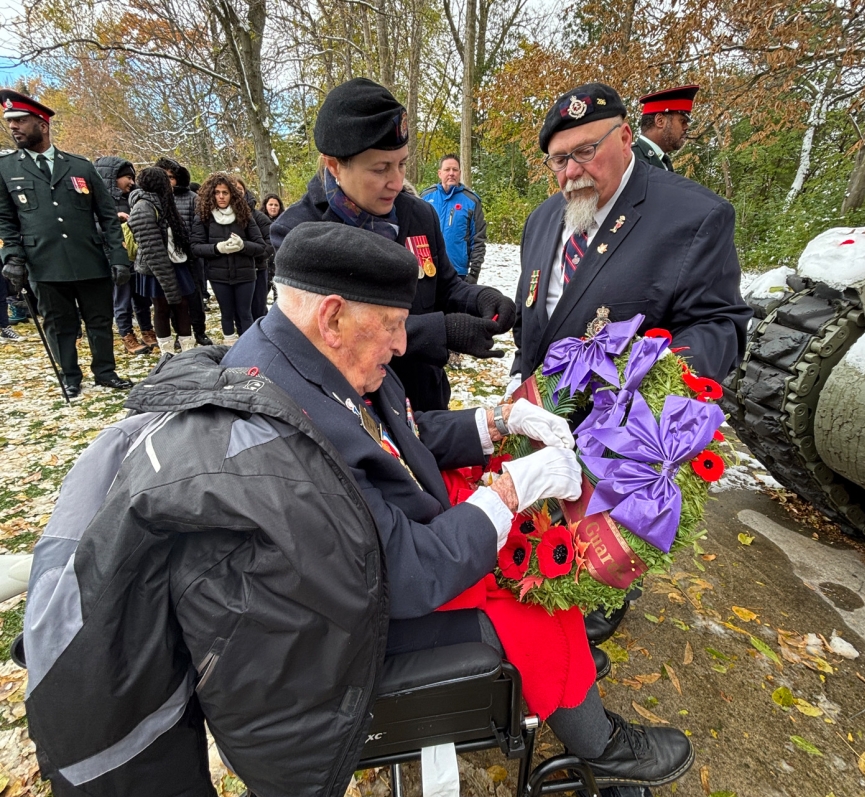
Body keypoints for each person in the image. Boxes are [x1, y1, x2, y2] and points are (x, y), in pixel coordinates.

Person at [221, 221, 693, 791]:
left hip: (378, 552)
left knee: (509, 517)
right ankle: (600, 741)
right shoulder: (288, 430)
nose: (402, 344)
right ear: (333, 316)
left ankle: (576, 673)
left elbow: (397, 432)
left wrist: (498, 421)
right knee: (535, 595)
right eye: (393, 326)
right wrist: (510, 491)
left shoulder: (297, 352)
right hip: (350, 628)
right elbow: (412, 573)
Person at [510, 81, 751, 639]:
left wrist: (656, 376)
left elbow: (720, 325)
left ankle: (593, 630)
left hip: (619, 449)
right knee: (542, 562)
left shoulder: (693, 216)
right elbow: (539, 316)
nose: (571, 172)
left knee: (595, 585)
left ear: (625, 136)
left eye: (586, 151)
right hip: (540, 425)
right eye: (558, 160)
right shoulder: (546, 219)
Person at [271, 77, 515, 412]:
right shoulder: (298, 233)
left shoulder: (418, 215)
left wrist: (479, 298)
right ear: (334, 165)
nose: (397, 181)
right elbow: (332, 336)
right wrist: (441, 332)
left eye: (401, 163)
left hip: (424, 398)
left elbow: (444, 287)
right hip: (355, 412)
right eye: (381, 168)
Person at [0, 89, 133, 398]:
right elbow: (6, 220)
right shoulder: (7, 169)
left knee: (99, 320)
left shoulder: (80, 166)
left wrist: (118, 257)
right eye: (11, 123)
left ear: (42, 124)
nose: (14, 127)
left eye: (21, 120)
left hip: (89, 258)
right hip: (44, 262)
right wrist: (12, 258)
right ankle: (70, 375)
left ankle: (105, 371)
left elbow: (108, 216)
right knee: (59, 324)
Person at [191, 172, 266, 345]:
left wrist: (243, 246)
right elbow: (195, 247)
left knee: (245, 313)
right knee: (227, 313)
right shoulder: (204, 217)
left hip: (245, 274)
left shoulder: (245, 215)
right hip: (218, 276)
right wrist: (217, 248)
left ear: (232, 193)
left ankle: (248, 348)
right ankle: (229, 348)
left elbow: (260, 246)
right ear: (211, 194)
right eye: (217, 192)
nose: (221, 196)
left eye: (225, 192)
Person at [129, 167, 196, 356]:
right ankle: (167, 354)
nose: (171, 183)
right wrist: (167, 280)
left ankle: (188, 352)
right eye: (167, 180)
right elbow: (153, 251)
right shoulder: (143, 207)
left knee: (183, 306)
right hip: (156, 268)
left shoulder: (163, 202)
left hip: (176, 263)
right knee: (162, 308)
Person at [94, 156, 155, 355]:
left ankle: (147, 329)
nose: (131, 181)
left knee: (142, 297)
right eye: (126, 177)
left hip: (136, 257)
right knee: (122, 298)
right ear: (113, 178)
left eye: (132, 177)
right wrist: (114, 222)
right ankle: (127, 334)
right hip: (114, 257)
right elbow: (90, 228)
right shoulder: (98, 201)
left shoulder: (132, 198)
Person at [155, 157, 214, 346]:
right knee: (172, 300)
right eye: (164, 177)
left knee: (194, 297)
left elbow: (199, 226)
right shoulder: (154, 201)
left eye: (171, 177)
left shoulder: (191, 198)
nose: (168, 181)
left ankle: (199, 331)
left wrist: (190, 246)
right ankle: (180, 334)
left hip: (189, 256)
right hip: (165, 258)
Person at [421, 154, 487, 284]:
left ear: (460, 173)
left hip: (457, 273)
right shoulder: (426, 198)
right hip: (428, 270)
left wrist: (474, 274)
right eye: (447, 169)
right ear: (439, 173)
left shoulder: (471, 201)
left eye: (455, 170)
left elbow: (478, 240)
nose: (451, 173)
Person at [233, 175, 275, 322]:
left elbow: (271, 240)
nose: (236, 192)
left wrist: (256, 255)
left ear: (245, 191)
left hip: (257, 268)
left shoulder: (258, 217)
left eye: (239, 189)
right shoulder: (217, 218)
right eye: (232, 188)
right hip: (232, 272)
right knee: (239, 312)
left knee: (258, 308)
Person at [631, 85, 699, 172]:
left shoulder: (664, 161)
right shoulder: (629, 159)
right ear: (660, 121)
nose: (686, 127)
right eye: (682, 121)